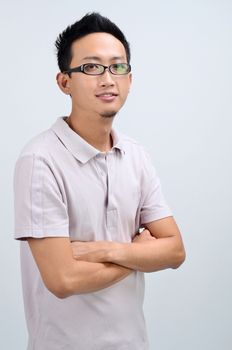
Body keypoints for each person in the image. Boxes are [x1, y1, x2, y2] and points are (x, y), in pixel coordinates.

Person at [14, 12, 185, 350]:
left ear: (130, 79)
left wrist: (107, 250)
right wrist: (138, 254)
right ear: (65, 82)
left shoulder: (136, 155)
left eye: (117, 67)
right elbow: (63, 279)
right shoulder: (40, 160)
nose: (108, 79)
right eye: (91, 67)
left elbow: (175, 251)